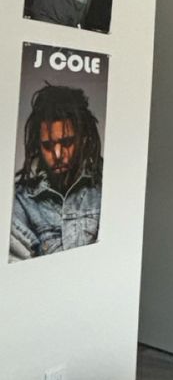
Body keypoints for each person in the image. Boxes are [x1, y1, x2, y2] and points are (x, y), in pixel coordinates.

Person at [10, 85, 103, 260]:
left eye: (67, 142)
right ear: (38, 146)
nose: (58, 155)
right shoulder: (22, 202)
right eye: (48, 146)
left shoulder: (106, 188)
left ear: (83, 139)